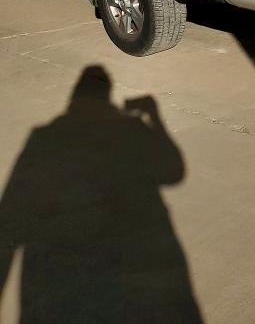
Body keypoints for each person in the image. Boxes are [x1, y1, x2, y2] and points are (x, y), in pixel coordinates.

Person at [0, 66, 201, 323]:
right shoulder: (132, 128)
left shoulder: (44, 137)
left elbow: (10, 210)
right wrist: (154, 117)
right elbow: (174, 172)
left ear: (74, 100)